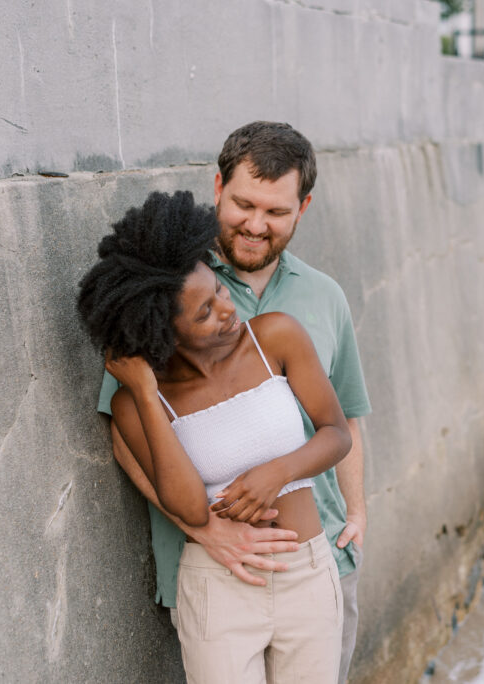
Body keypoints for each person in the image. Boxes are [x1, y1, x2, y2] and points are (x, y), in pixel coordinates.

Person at [97, 121, 371, 682]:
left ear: (303, 207)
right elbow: (130, 442)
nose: (256, 223)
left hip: (319, 555)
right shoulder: (171, 279)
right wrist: (203, 530)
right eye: (244, 204)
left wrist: (357, 512)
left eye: (276, 211)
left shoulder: (316, 301)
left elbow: (346, 418)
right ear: (218, 189)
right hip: (216, 568)